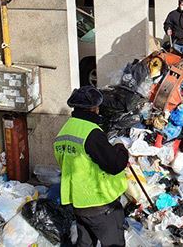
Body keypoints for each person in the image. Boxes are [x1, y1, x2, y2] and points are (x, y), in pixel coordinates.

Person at [54, 86, 129, 247]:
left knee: (85, 243)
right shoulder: (92, 133)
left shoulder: (64, 131)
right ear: (95, 108)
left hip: (79, 204)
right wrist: (119, 145)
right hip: (101, 204)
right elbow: (116, 164)